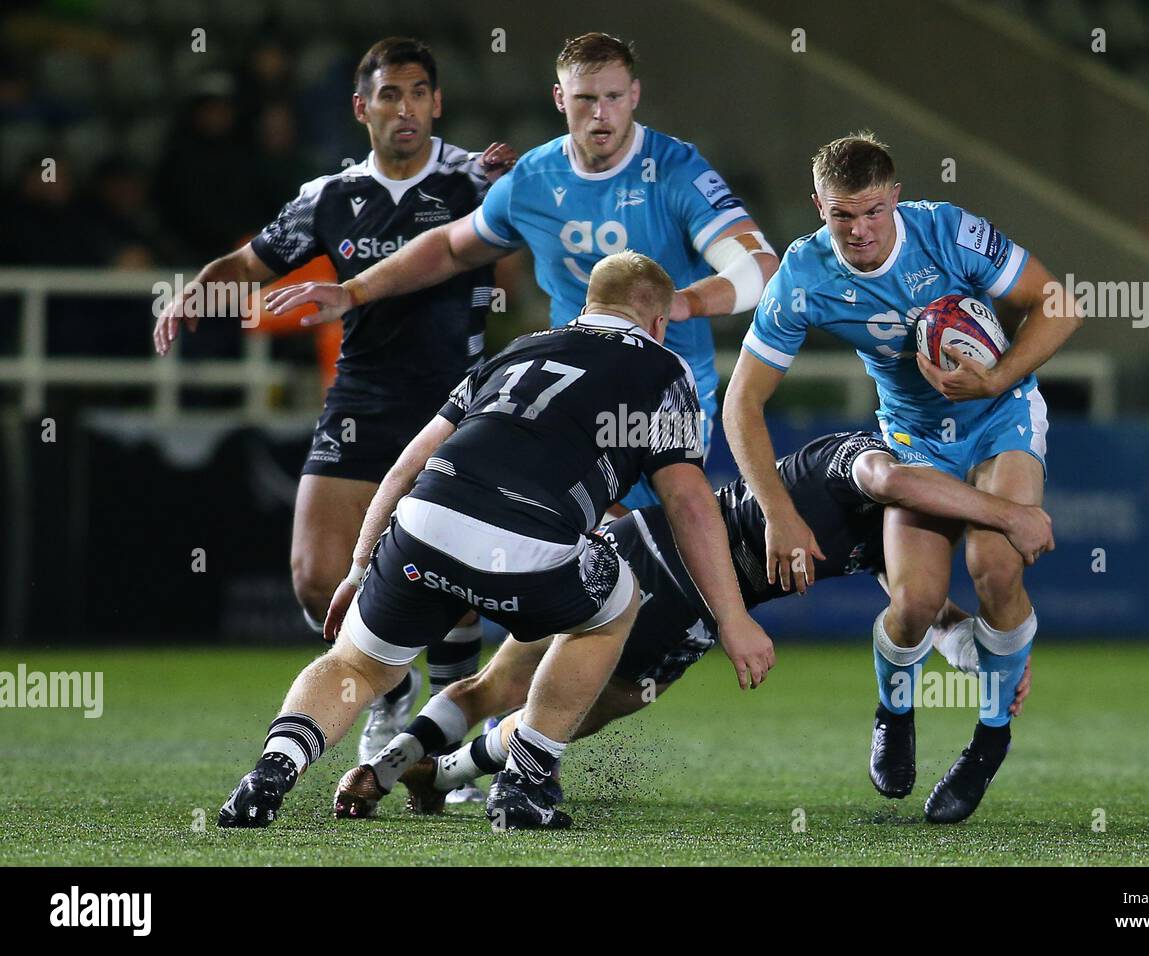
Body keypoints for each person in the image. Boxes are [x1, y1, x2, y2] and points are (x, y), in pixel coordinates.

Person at [218, 251, 774, 831]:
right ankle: (525, 785)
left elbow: (411, 461)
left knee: (355, 664)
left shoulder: (518, 351)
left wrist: (361, 564)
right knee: (616, 603)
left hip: (425, 521)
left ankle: (269, 775)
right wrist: (732, 619)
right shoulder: (665, 369)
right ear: (660, 322)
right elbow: (688, 502)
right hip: (529, 544)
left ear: (586, 308)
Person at [334, 429, 1050, 817]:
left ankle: (428, 772)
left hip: (699, 615)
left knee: (572, 712)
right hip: (657, 556)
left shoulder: (896, 536)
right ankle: (383, 764)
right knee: (508, 687)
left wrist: (980, 659)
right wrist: (1007, 513)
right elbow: (888, 478)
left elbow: (921, 611)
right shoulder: (859, 457)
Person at [152, 38, 518, 782]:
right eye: (389, 95)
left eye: (419, 93)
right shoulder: (330, 195)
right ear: (362, 108)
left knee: (454, 579)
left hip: (456, 401)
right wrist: (201, 289)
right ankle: (392, 681)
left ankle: (442, 753)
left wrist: (526, 188)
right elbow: (252, 261)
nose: (405, 108)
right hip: (363, 398)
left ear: (437, 103)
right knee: (315, 576)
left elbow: (543, 235)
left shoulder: (477, 179)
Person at [723, 132, 1082, 823]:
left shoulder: (947, 231)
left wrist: (997, 378)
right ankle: (895, 713)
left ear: (895, 197)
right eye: (840, 217)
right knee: (914, 602)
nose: (858, 231)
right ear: (817, 207)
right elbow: (742, 402)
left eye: (871, 213)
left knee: (993, 568)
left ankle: (989, 741)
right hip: (913, 436)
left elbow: (1060, 303)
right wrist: (776, 511)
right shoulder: (804, 274)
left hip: (999, 415)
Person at [265, 31, 779, 514]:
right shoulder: (534, 177)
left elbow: (758, 265)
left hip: (666, 395)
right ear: (560, 99)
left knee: (647, 545)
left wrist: (684, 302)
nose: (601, 115)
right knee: (566, 530)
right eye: (585, 100)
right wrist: (355, 290)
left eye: (614, 97)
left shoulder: (675, 170)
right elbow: (448, 246)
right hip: (570, 389)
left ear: (635, 95)